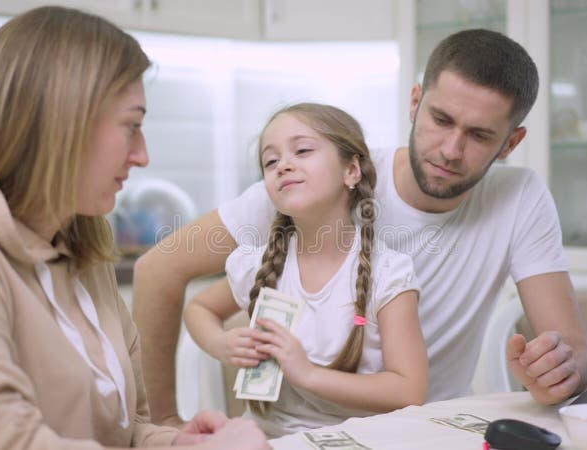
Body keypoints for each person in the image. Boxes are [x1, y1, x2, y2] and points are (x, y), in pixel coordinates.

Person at [133, 28, 587, 426]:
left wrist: (559, 368)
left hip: (427, 433)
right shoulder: (317, 181)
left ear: (512, 142)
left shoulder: (520, 197)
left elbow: (574, 347)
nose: (451, 149)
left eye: (479, 135)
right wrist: (163, 424)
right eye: (440, 119)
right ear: (415, 103)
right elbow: (158, 270)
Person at [0, 6, 269, 450]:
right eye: (131, 126)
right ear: (64, 123)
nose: (143, 155)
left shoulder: (81, 247)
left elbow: (124, 428)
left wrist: (174, 442)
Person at [183, 103, 428, 437]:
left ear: (351, 171)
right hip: (266, 438)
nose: (283, 165)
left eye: (302, 150)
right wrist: (220, 343)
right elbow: (199, 309)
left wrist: (308, 374)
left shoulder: (388, 273)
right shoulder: (258, 264)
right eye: (270, 161)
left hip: (359, 441)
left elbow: (408, 390)